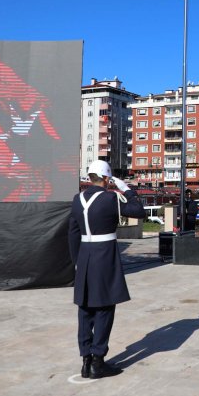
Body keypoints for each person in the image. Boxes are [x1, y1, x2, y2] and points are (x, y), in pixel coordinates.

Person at [68, 160, 144, 379]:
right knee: (104, 307)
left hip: (84, 256)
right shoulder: (111, 198)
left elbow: (73, 233)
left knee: (85, 308)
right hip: (104, 256)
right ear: (106, 179)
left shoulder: (77, 199)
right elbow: (139, 210)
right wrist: (126, 189)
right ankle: (98, 361)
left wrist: (77, 261)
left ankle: (85, 360)